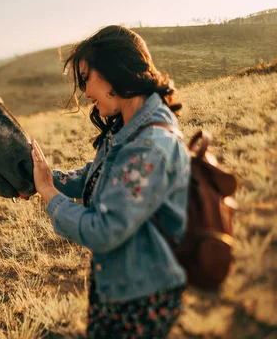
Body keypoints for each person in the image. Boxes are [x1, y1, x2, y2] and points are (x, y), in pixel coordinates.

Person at [30, 25, 191, 338]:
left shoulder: (150, 148)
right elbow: (103, 173)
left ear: (114, 73)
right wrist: (52, 178)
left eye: (86, 78)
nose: (85, 92)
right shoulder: (129, 125)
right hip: (119, 281)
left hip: (140, 296)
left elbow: (103, 230)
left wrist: (50, 195)